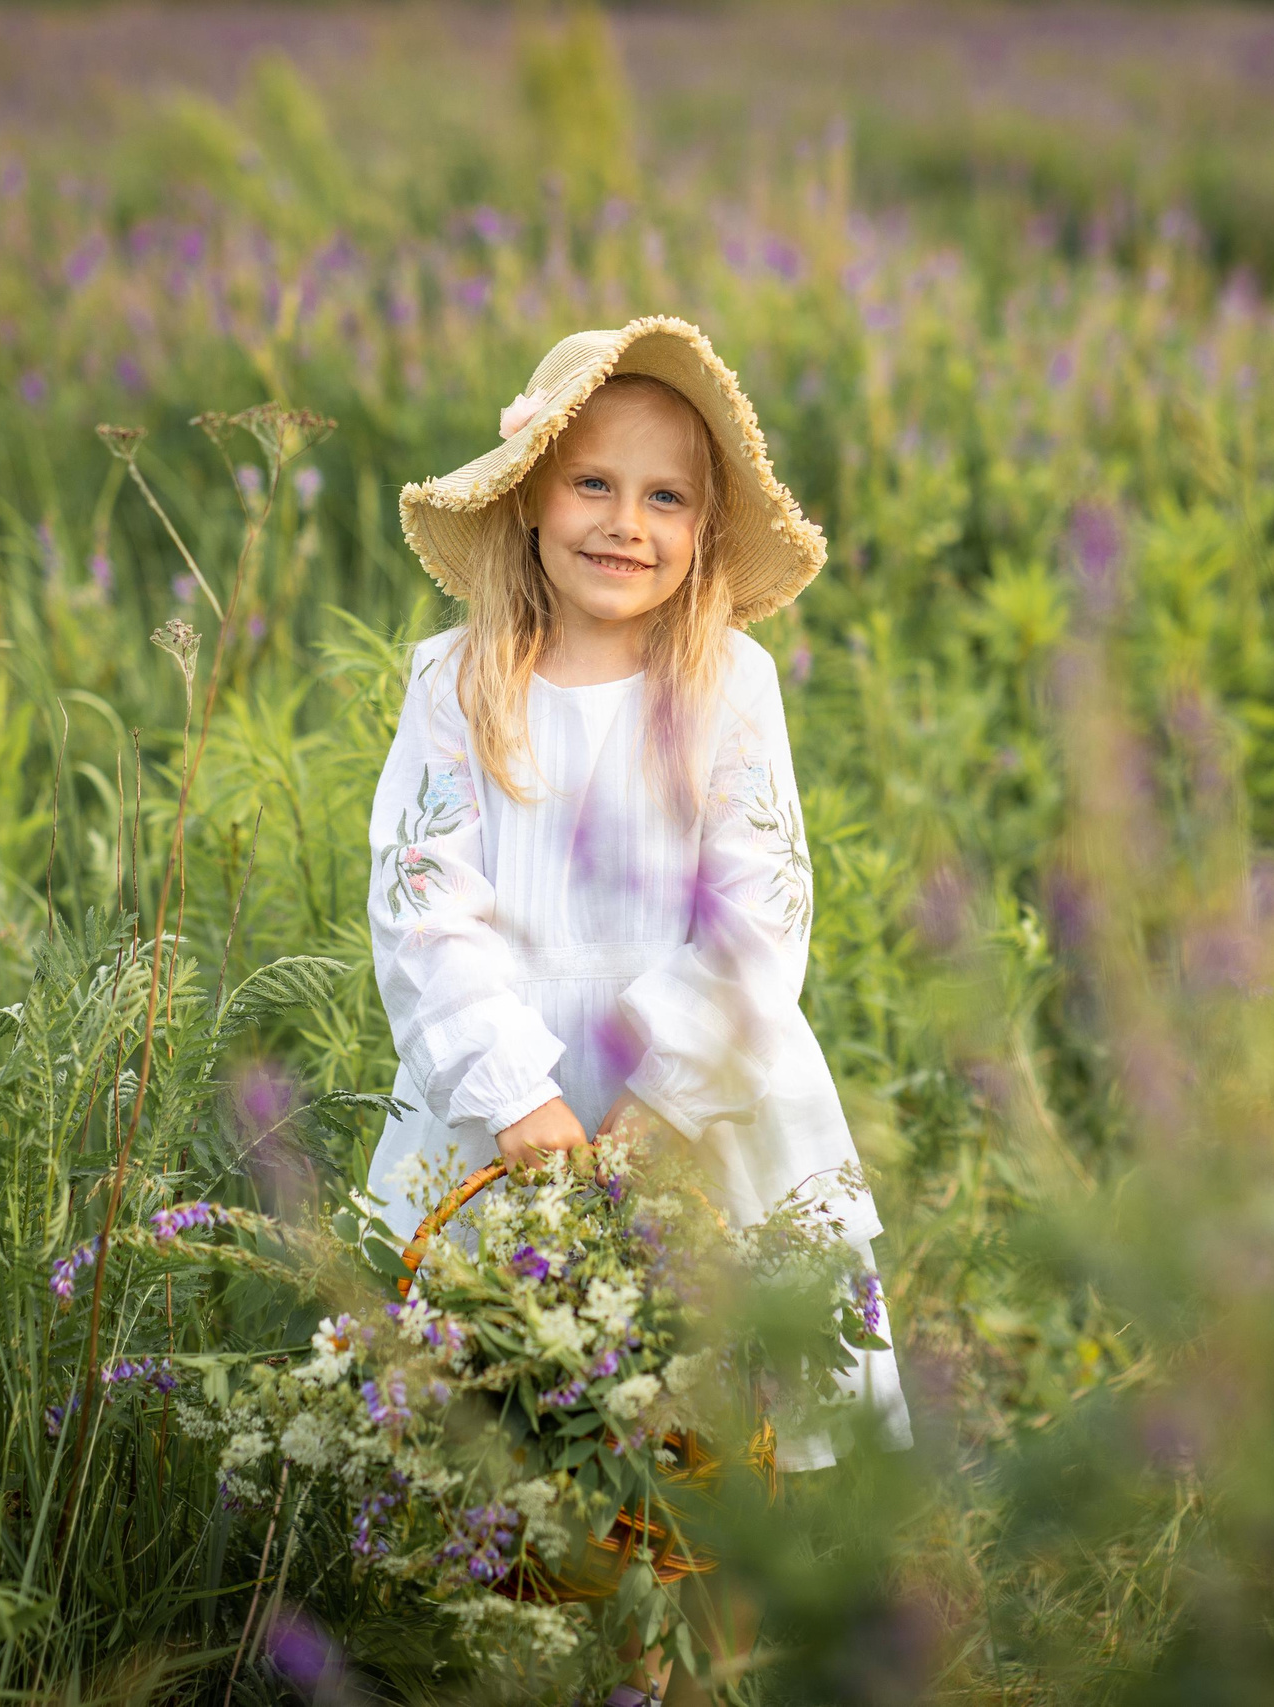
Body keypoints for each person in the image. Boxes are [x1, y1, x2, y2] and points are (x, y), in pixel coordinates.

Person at [362, 317, 912, 1703]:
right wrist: (522, 1100)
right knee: (510, 1426)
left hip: (703, 1103)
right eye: (592, 483)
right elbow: (424, 903)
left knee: (709, 1432)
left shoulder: (730, 687)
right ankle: (535, 1653)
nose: (625, 522)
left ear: (707, 529)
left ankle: (700, 1664)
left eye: (666, 496)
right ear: (529, 494)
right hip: (507, 1109)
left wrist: (658, 1108)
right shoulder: (454, 680)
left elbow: (756, 913)